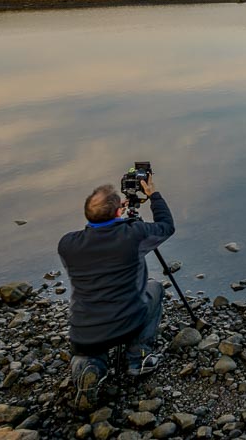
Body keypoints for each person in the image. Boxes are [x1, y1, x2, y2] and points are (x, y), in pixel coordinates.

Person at [58, 175, 175, 410]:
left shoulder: (68, 244)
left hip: (84, 332)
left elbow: (97, 242)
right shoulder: (133, 235)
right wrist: (153, 195)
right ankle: (138, 358)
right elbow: (166, 227)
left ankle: (89, 367)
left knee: (89, 350)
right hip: (127, 322)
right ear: (118, 211)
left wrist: (112, 219)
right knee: (154, 288)